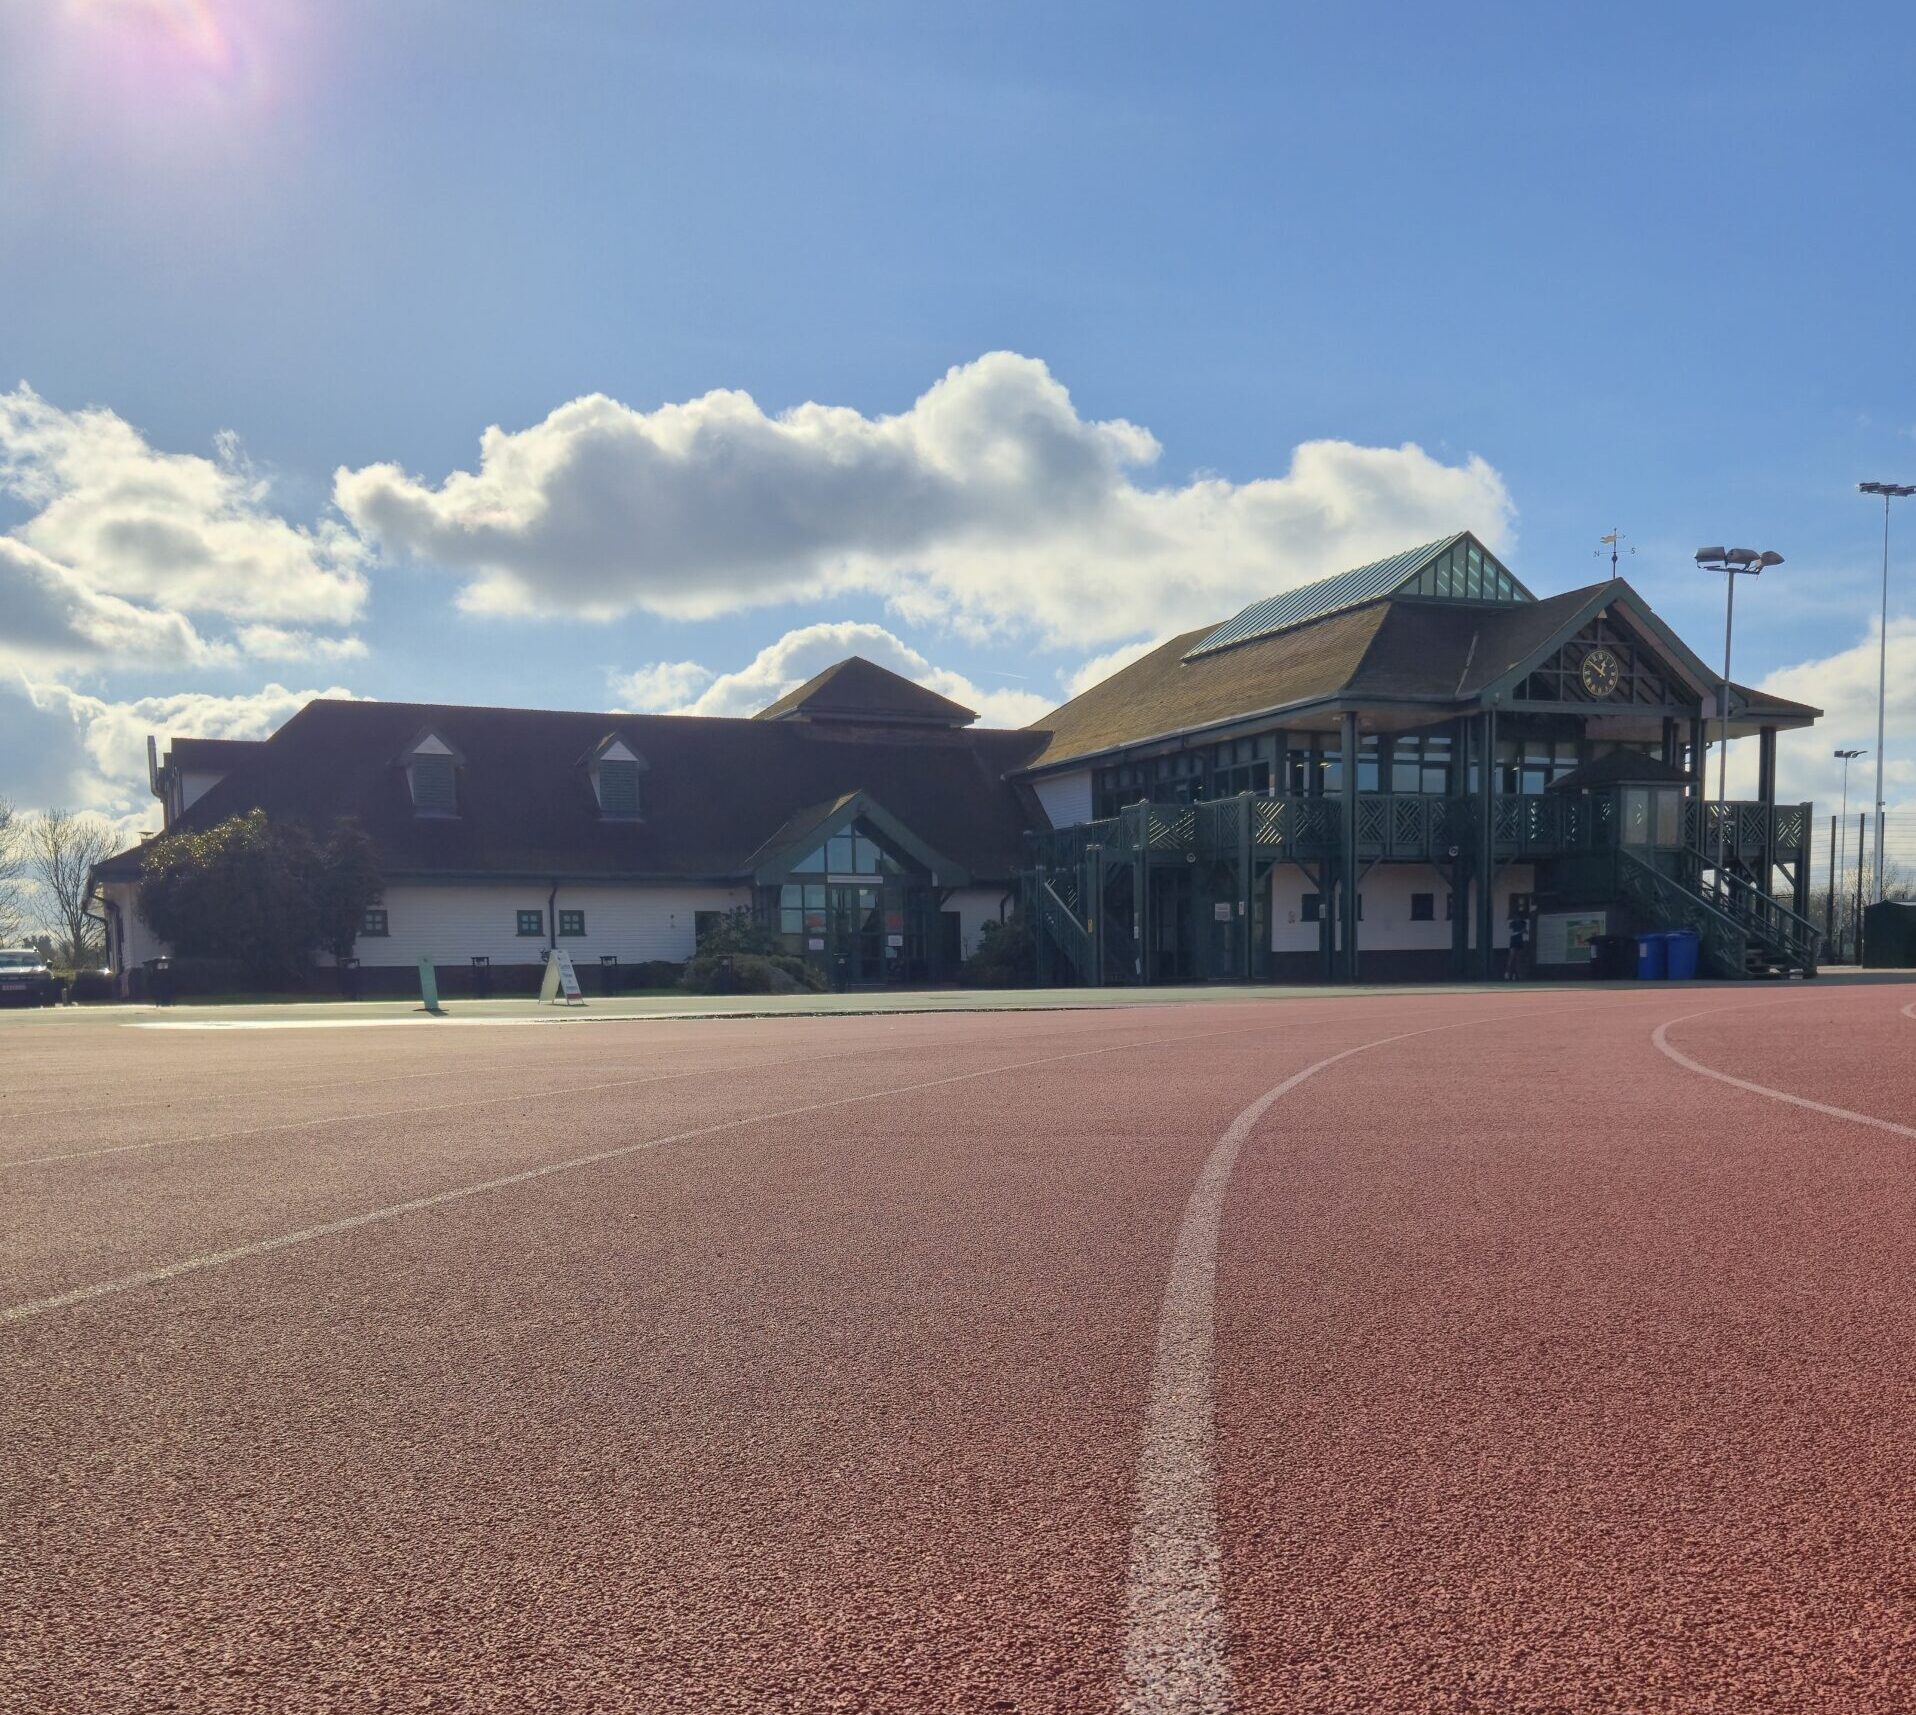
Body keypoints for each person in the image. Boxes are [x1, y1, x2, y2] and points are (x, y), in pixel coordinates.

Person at [1504, 907, 1529, 981]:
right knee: (1511, 958)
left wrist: (1523, 931)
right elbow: (1512, 933)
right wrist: (1520, 932)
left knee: (1518, 959)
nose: (1517, 918)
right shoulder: (1512, 923)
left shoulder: (1523, 923)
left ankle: (1516, 974)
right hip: (1513, 941)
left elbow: (1526, 932)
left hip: (1520, 941)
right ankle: (1507, 973)